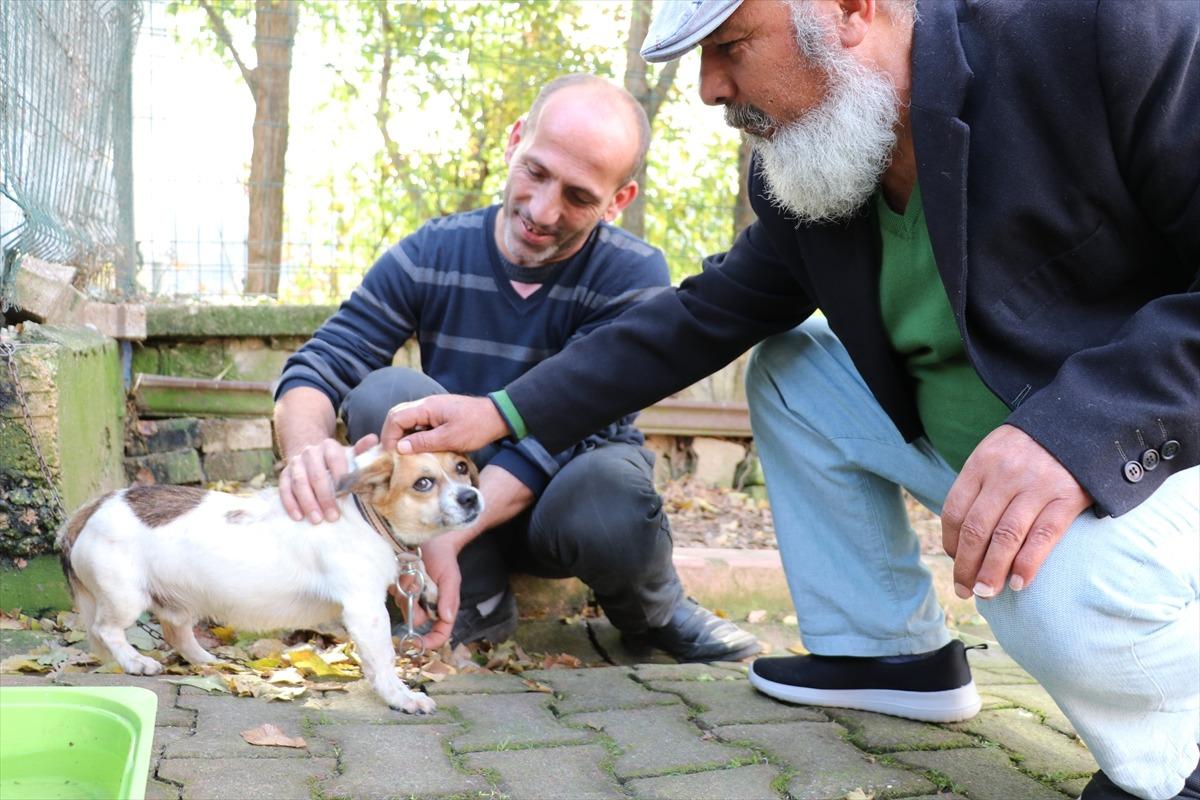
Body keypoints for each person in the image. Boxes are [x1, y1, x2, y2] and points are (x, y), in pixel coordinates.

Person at [379, 2, 1200, 799]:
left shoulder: (1102, 31)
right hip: (991, 449)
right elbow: (699, 317)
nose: (706, 88)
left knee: (1044, 593)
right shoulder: (815, 177)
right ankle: (887, 657)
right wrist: (503, 412)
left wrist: (1077, 428)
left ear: (848, 8)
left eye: (731, 45)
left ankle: (1175, 764)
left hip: (1155, 446)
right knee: (794, 367)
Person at [273, 74, 761, 665]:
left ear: (618, 201)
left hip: (563, 503)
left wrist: (452, 533)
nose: (542, 210)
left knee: (609, 494)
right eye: (536, 172)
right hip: (450, 493)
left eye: (579, 197)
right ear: (514, 142)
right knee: (388, 395)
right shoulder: (433, 250)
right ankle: (474, 602)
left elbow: (578, 426)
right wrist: (305, 452)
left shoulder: (632, 274)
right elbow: (322, 363)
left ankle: (651, 613)